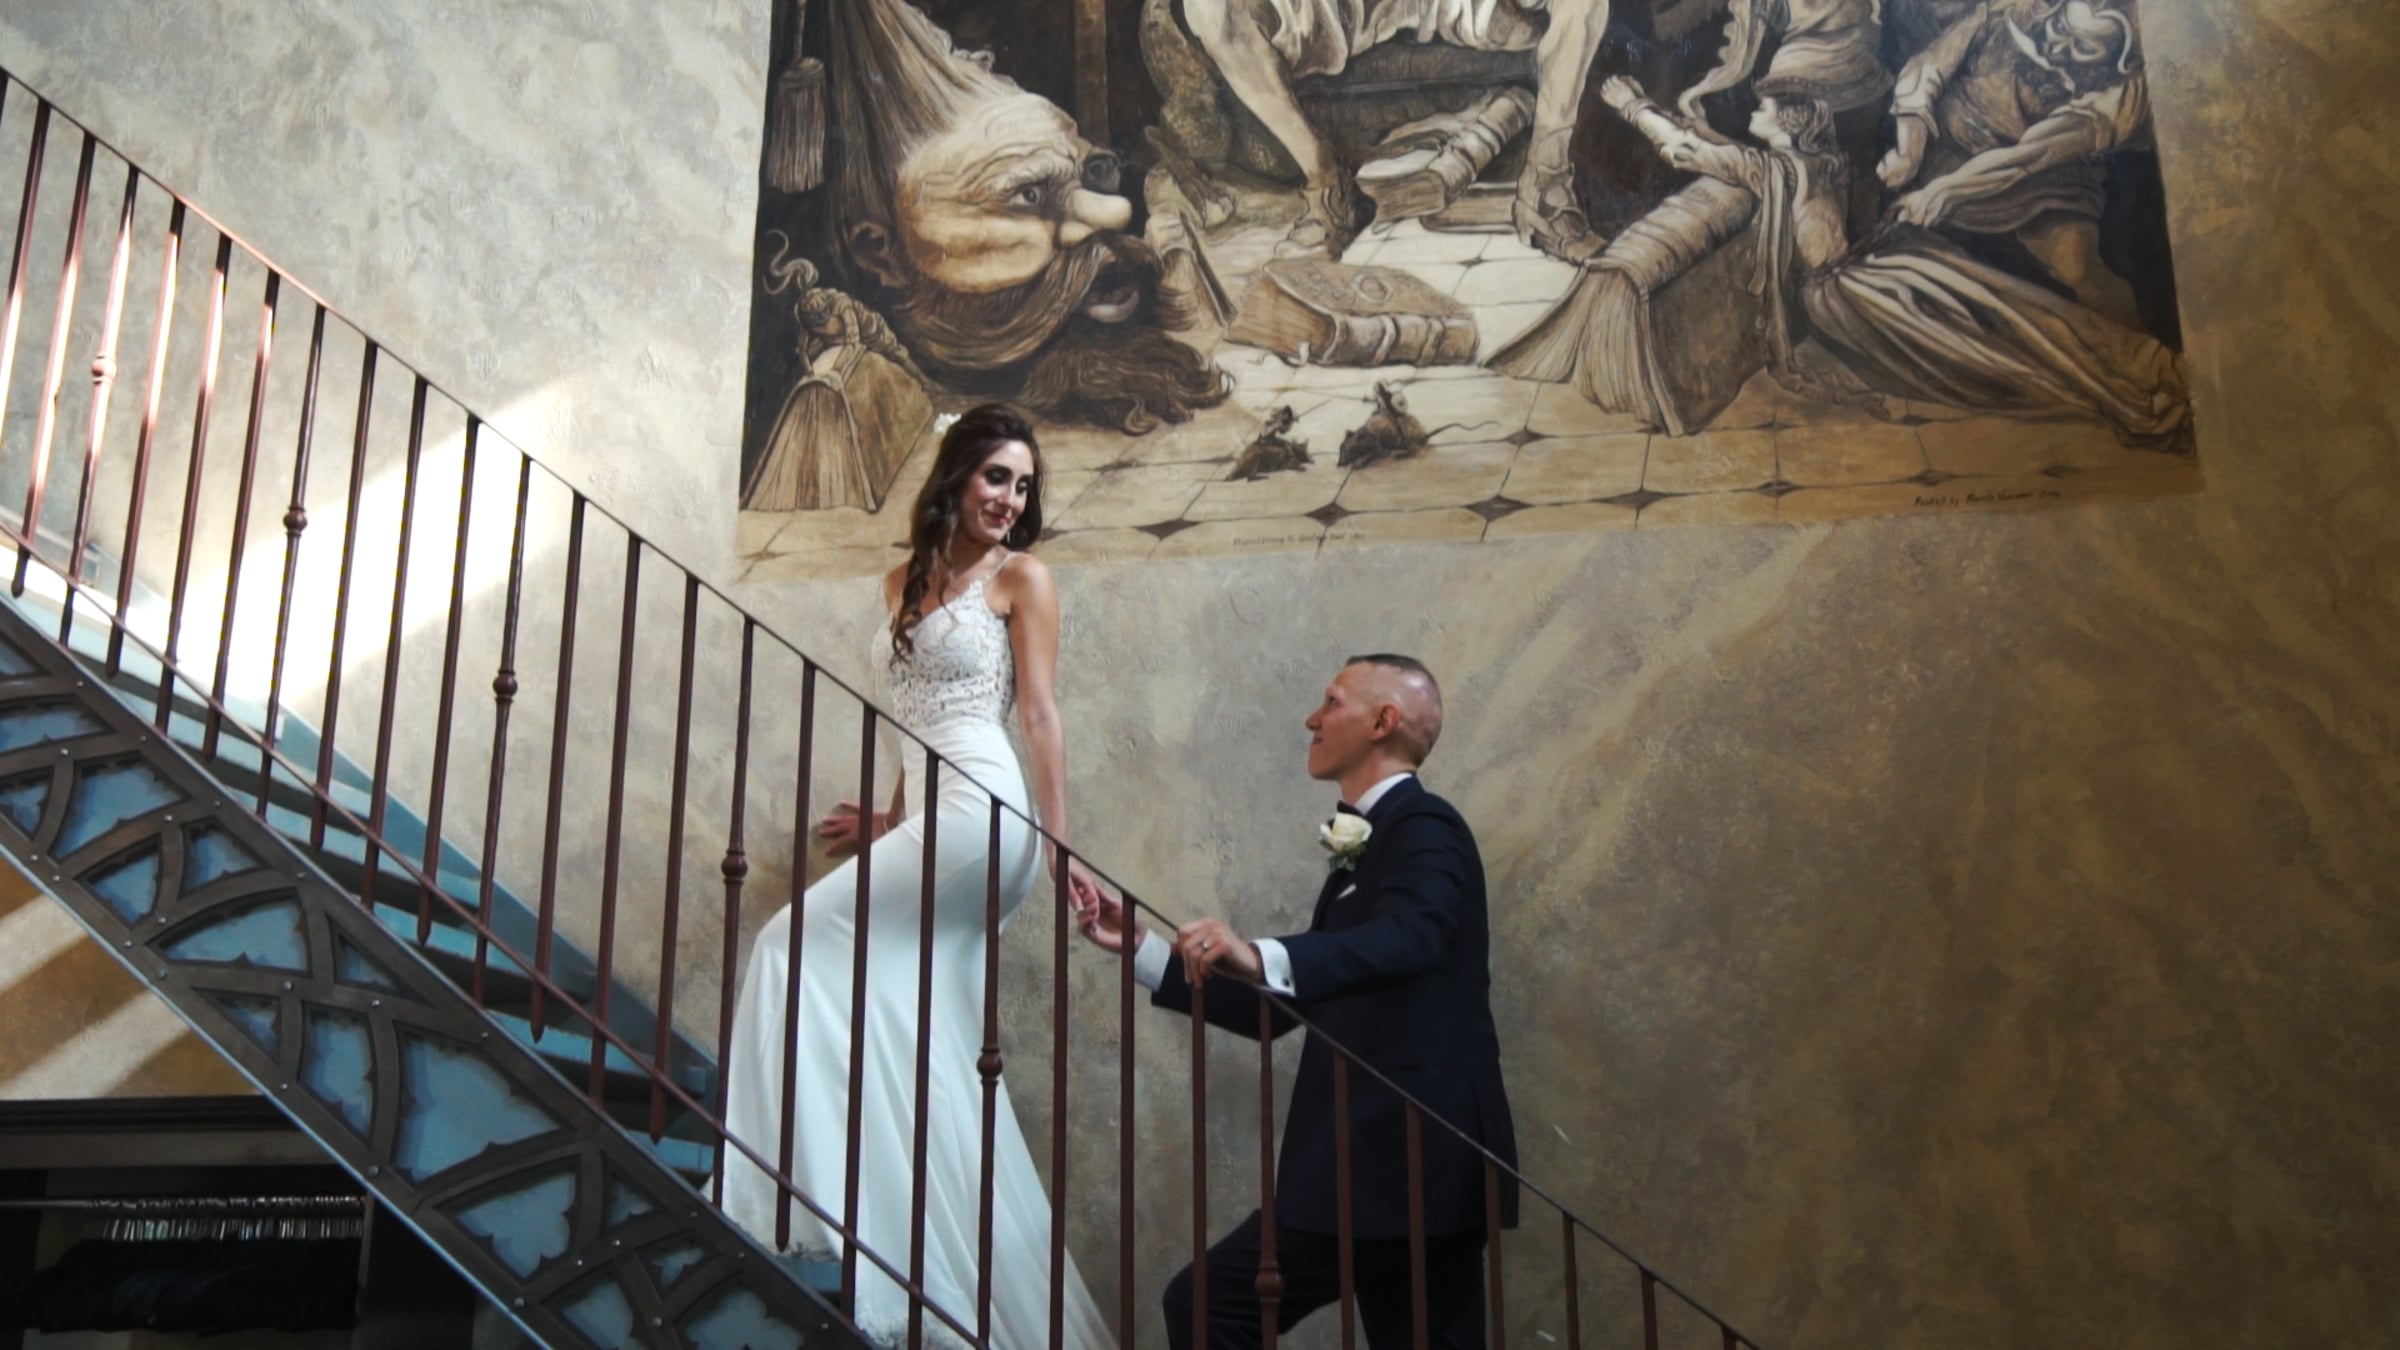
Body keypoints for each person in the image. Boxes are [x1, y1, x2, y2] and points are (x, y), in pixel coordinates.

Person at [722, 404, 1115, 1348]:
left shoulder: (1021, 577)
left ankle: (778, 1205)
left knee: (787, 946)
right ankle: (907, 1252)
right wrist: (893, 822)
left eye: (1023, 486)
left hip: (987, 807)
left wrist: (1059, 843)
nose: (1009, 500)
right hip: (939, 811)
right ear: (957, 474)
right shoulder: (900, 581)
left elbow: (1038, 713)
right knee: (906, 1021)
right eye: (996, 477)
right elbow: (911, 718)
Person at [1077, 655, 1517, 1348]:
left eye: (1332, 702)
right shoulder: (1374, 842)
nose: (1313, 719)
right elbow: (1286, 1008)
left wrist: (1258, 954)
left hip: (1412, 1165)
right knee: (1207, 1304)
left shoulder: (1426, 825)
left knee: (1208, 1305)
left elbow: (1411, 937)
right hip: (1370, 1173)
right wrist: (1142, 949)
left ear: (1383, 721)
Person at [1601, 75, 2188, 446]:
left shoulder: (1776, 170)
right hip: (1869, 269)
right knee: (2002, 312)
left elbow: (1687, 151)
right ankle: (2141, 368)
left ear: (1788, 123)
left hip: (1843, 295)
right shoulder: (1823, 160)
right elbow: (1725, 151)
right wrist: (1701, 129)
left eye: (1762, 112)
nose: (1753, 119)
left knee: (1980, 353)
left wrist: (1633, 107)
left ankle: (2121, 392)